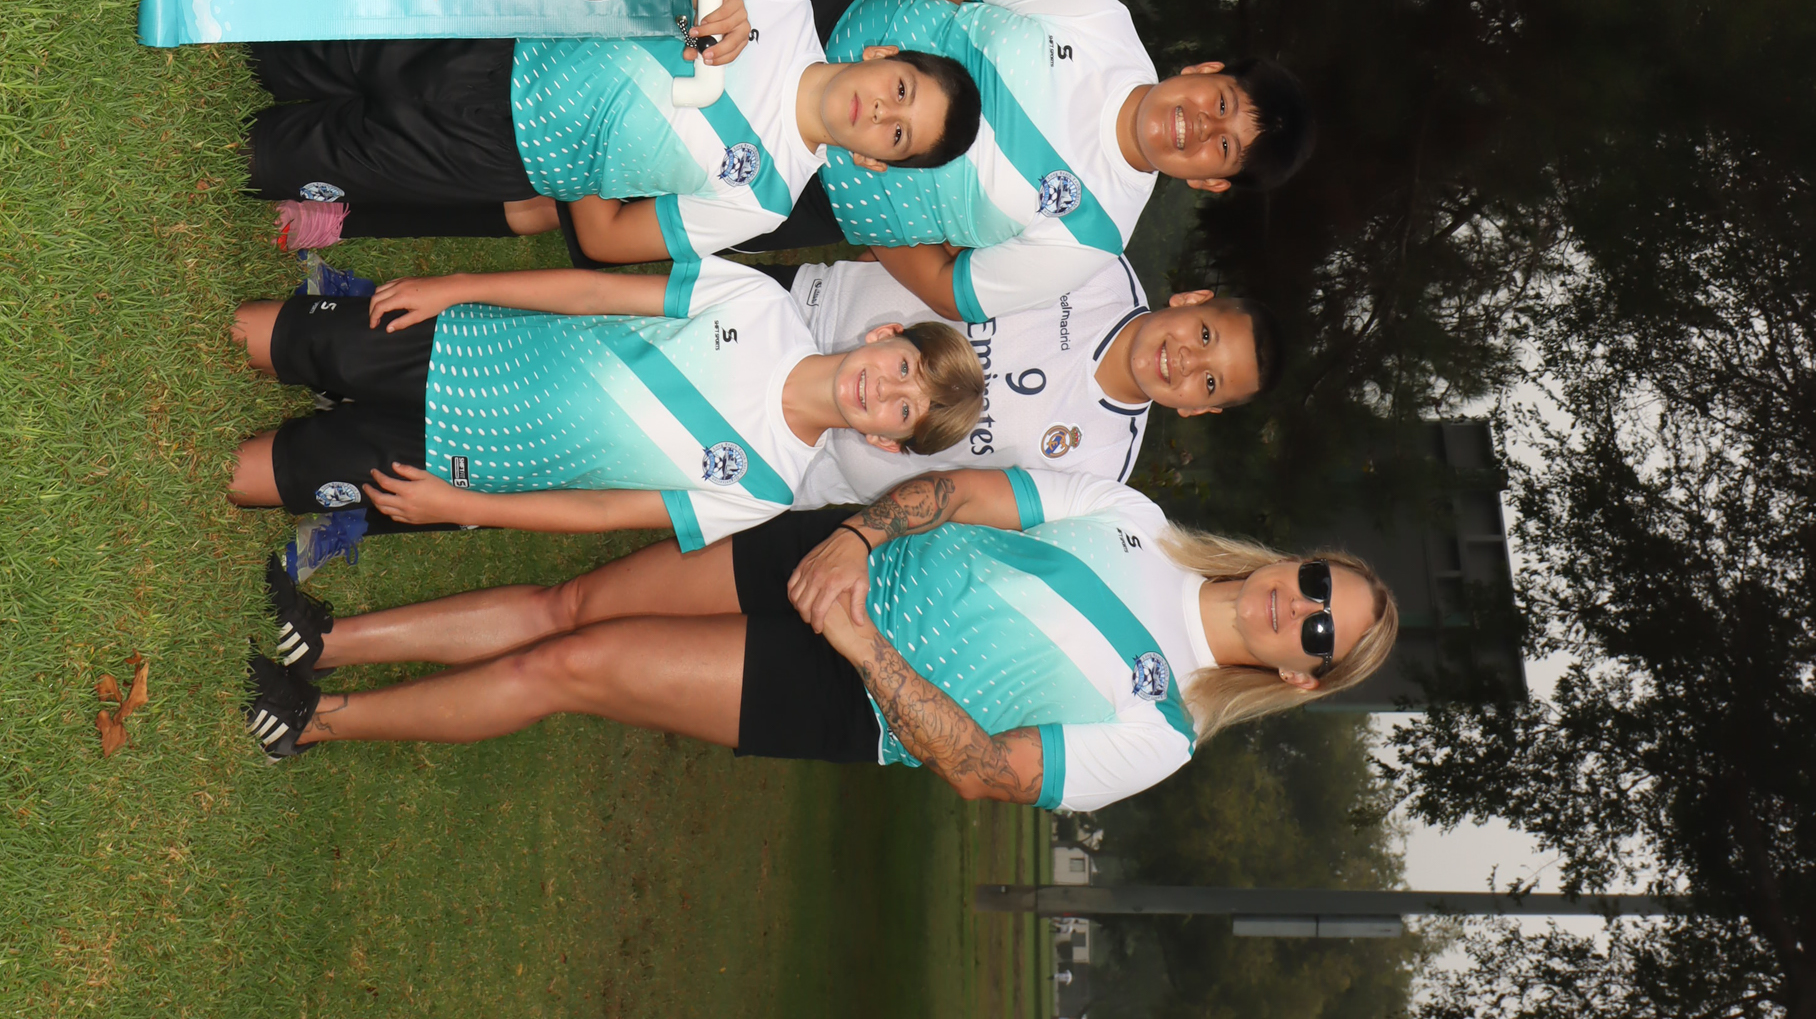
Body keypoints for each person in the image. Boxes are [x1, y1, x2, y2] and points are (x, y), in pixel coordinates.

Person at [242, 462, 1398, 809]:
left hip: (846, 689)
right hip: (830, 555)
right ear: (1291, 557)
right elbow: (967, 491)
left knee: (570, 666)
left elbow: (986, 769)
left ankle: (316, 719)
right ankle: (325, 639)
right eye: (1314, 583)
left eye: (1315, 630)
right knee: (571, 604)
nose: (1292, 605)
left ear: (1300, 675)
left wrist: (861, 649)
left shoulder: (1160, 733)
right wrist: (852, 539)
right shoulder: (1138, 519)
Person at [226, 253, 985, 557]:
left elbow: (600, 511)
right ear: (884, 334)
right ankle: (325, 367)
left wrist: (461, 506)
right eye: (904, 367)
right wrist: (455, 287)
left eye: (904, 411)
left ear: (885, 444)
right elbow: (593, 291)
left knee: (242, 476)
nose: (887, 390)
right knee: (242, 334)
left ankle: (326, 434)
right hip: (458, 344)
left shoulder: (766, 489)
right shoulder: (762, 304)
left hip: (458, 464)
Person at [245, 0, 980, 259]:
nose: (880, 112)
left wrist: (589, 153)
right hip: (497, 39)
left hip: (494, 154)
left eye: (896, 135)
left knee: (263, 156)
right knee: (273, 47)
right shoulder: (780, 9)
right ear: (884, 54)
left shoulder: (765, 199)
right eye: (902, 92)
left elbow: (608, 241)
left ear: (870, 162)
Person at [803, 0, 1313, 322]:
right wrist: (883, 46)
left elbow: (952, 293)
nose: (1204, 124)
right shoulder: (1102, 23)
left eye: (1224, 146)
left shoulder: (1094, 236)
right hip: (818, 31)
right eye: (1222, 103)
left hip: (809, 195)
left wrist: (870, 202)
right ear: (1205, 70)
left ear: (1209, 181)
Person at [789, 253, 1283, 506]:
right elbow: (952, 230)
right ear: (1191, 300)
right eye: (1204, 335)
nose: (1188, 361)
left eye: (1210, 383)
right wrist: (872, 262)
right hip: (804, 310)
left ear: (1196, 409)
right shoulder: (1096, 264)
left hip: (806, 463)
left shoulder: (1100, 468)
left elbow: (965, 512)